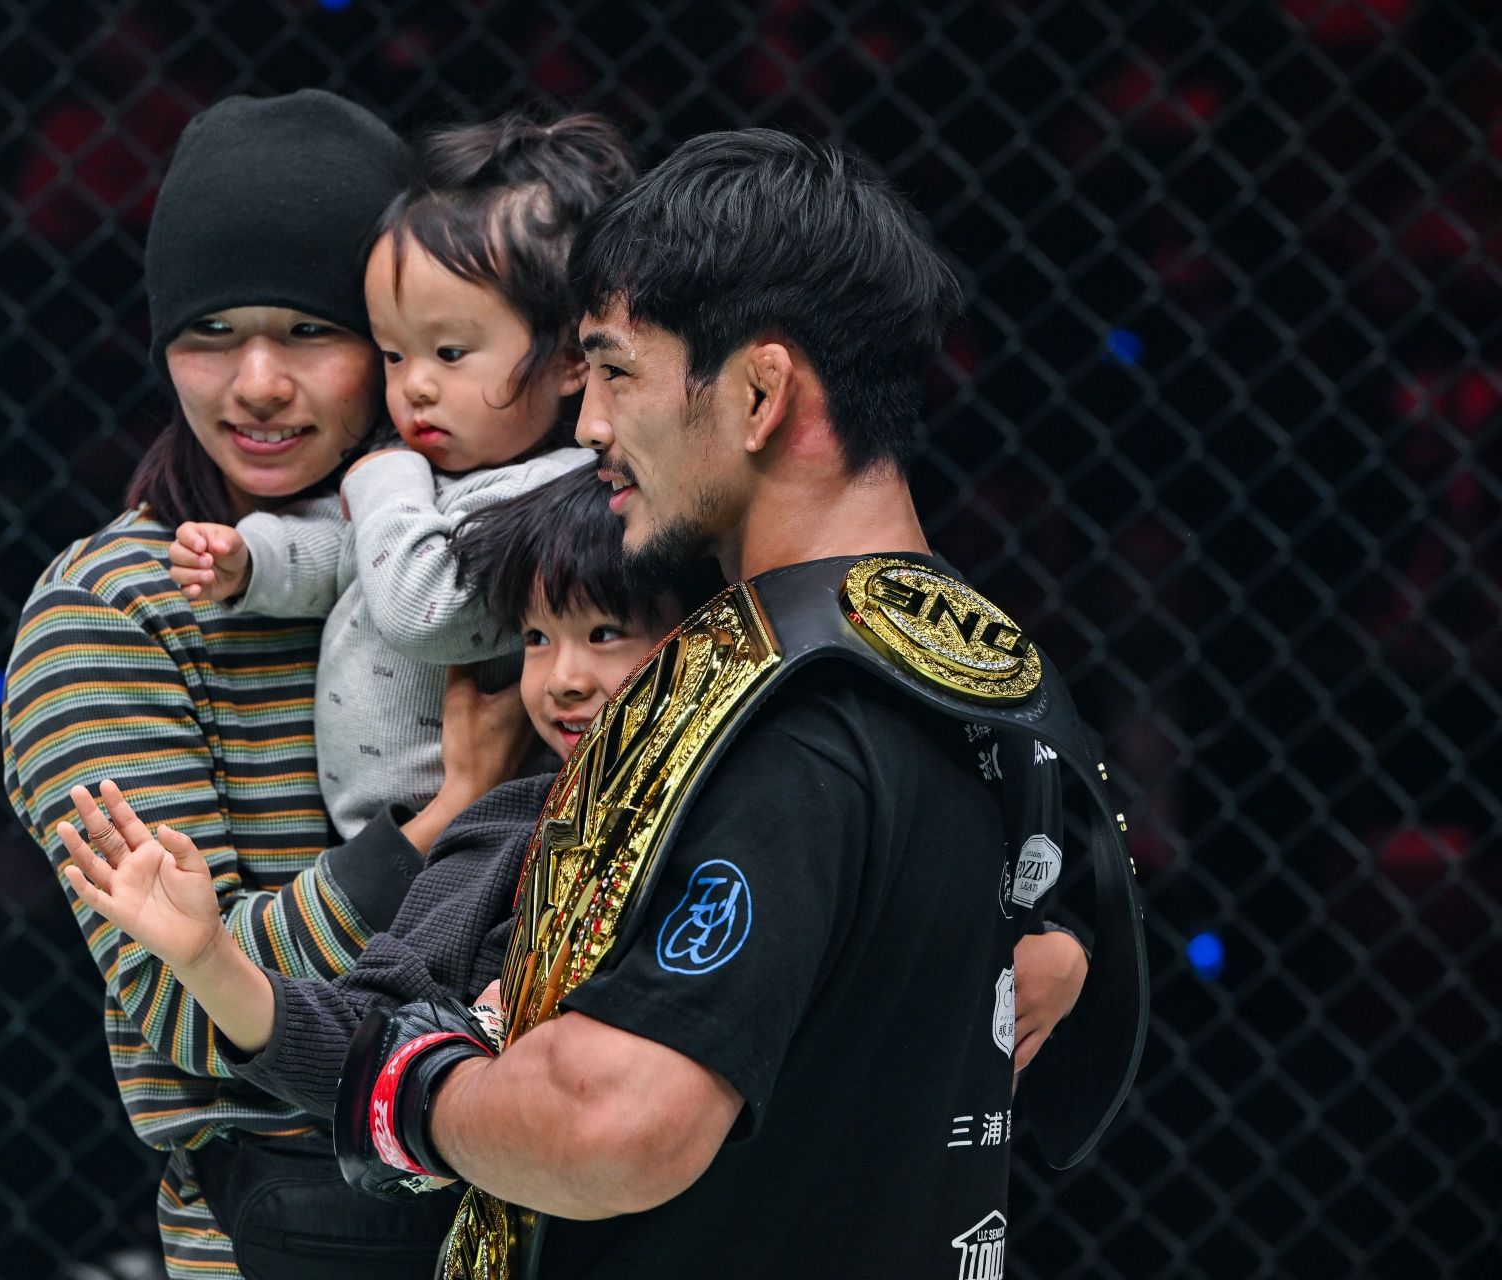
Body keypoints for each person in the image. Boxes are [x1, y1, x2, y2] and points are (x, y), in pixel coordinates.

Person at [331, 130, 1149, 1277]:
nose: (589, 426)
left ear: (760, 390)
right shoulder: (1006, 681)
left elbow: (618, 1121)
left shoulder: (795, 716)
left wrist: (410, 1088)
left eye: (618, 369)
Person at [0, 90, 517, 1279]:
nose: (259, 384)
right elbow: (185, 1008)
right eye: (212, 332)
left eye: (308, 328)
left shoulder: (507, 544)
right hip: (302, 1235)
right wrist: (434, 827)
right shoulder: (115, 608)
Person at [56, 469, 714, 1124]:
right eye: (536, 639)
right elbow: (370, 1042)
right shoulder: (505, 827)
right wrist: (210, 959)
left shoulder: (752, 787)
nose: (563, 679)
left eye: (604, 634)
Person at [166, 112, 637, 838]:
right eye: (393, 354)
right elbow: (344, 550)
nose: (414, 386)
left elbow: (426, 608)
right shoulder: (428, 480)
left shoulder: (559, 498)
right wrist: (250, 558)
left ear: (573, 357)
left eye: (449, 354)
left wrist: (384, 481)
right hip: (400, 835)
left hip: (489, 833)